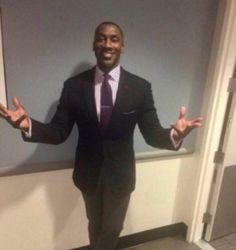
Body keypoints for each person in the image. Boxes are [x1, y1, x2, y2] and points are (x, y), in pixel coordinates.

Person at [0, 22, 202, 250]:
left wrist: (175, 134)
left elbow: (152, 134)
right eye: (101, 38)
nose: (108, 44)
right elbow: (58, 132)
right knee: (95, 224)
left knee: (113, 228)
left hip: (121, 175)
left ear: (122, 46)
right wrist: (27, 124)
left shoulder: (140, 88)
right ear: (94, 45)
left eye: (114, 39)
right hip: (88, 174)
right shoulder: (74, 86)